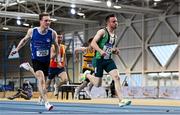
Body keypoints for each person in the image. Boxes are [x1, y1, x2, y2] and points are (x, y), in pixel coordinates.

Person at [10, 12, 60, 111]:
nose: (48, 22)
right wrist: (17, 49)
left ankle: (28, 67)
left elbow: (57, 45)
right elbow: (24, 40)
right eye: (46, 20)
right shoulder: (32, 31)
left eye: (49, 20)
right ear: (40, 21)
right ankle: (47, 103)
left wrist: (57, 57)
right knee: (41, 80)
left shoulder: (52, 33)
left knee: (43, 83)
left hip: (46, 61)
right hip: (36, 60)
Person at [81, 14, 131, 107]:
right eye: (114, 21)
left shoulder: (114, 36)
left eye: (116, 21)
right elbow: (93, 43)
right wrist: (100, 51)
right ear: (108, 23)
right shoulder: (102, 32)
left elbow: (109, 48)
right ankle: (86, 75)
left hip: (108, 60)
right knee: (97, 84)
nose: (116, 23)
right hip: (98, 60)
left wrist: (114, 50)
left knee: (117, 77)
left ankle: (121, 100)